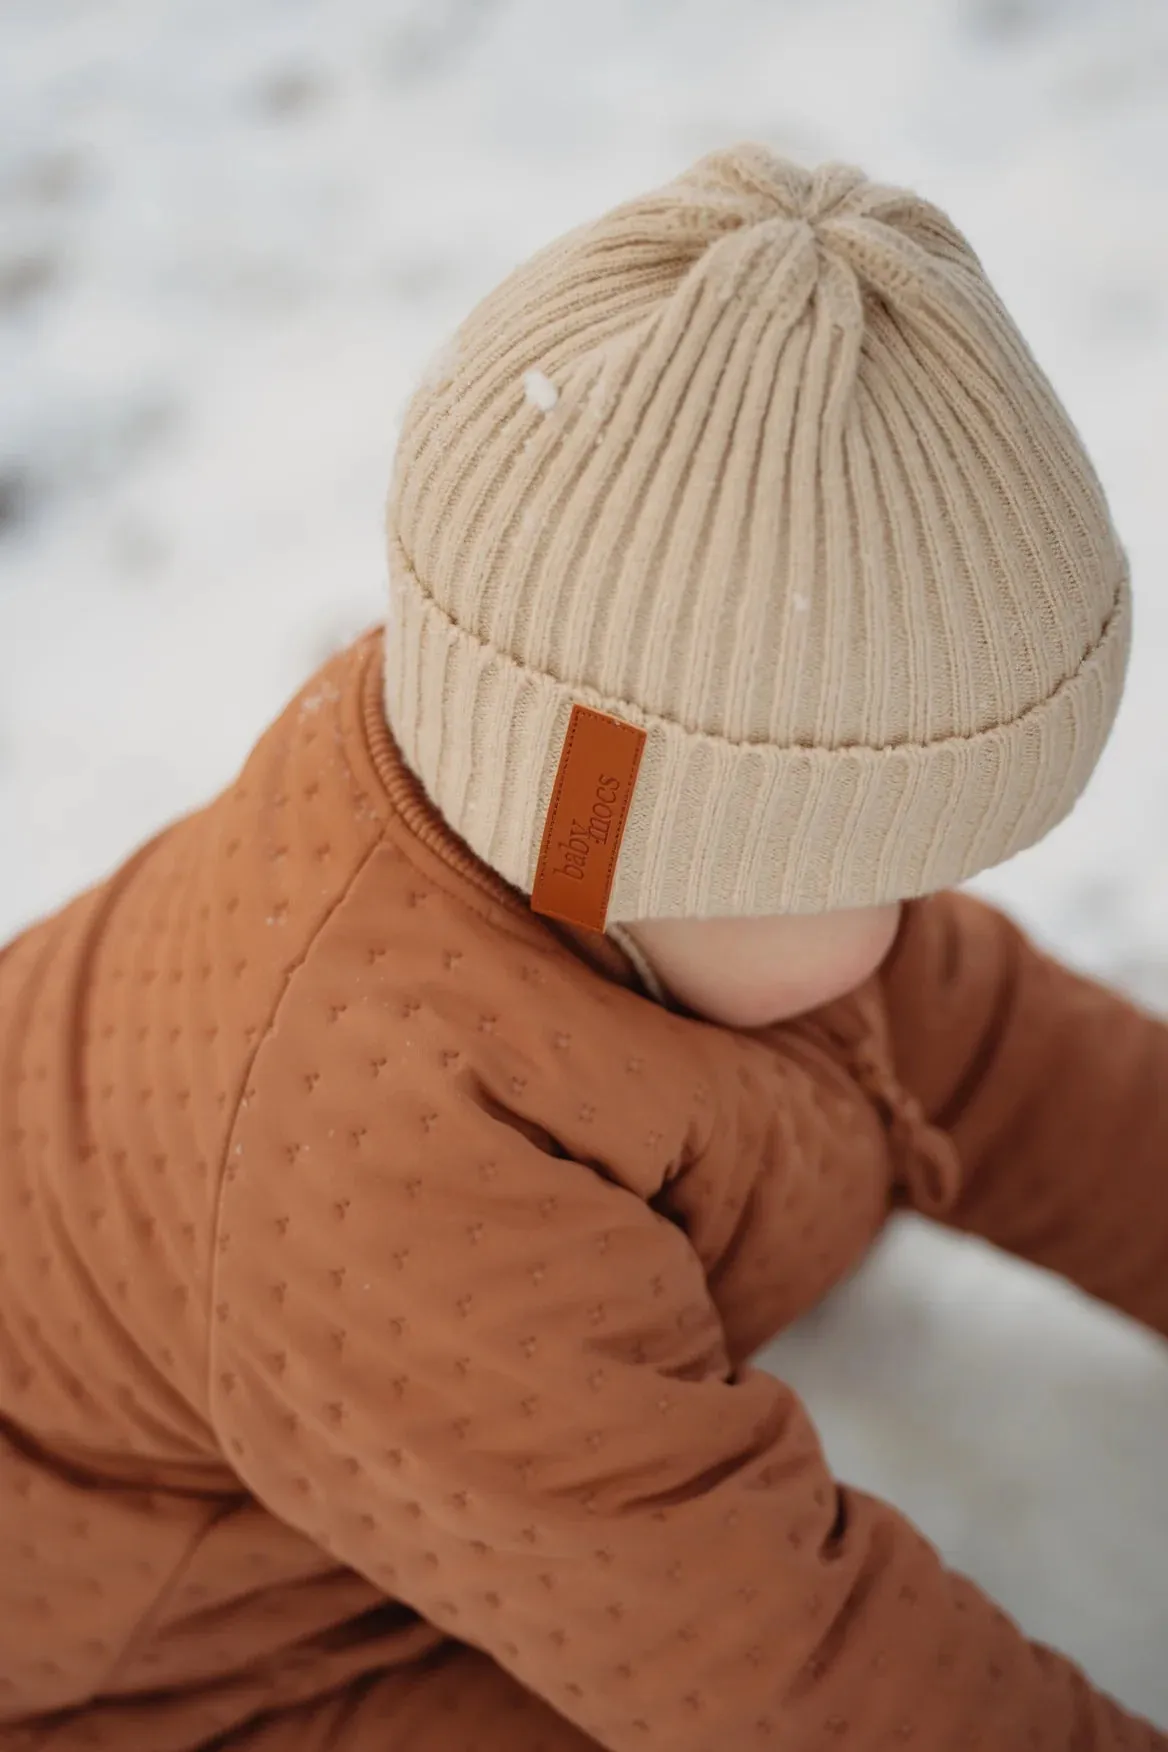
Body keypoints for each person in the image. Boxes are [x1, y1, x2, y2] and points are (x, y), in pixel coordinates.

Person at [1, 144, 1164, 1752]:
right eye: (877, 865)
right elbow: (768, 1663)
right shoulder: (391, 1185)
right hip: (166, 1635)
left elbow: (1028, 1070)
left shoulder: (605, 816)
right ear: (657, 839)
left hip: (411, 1447)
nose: (924, 925)